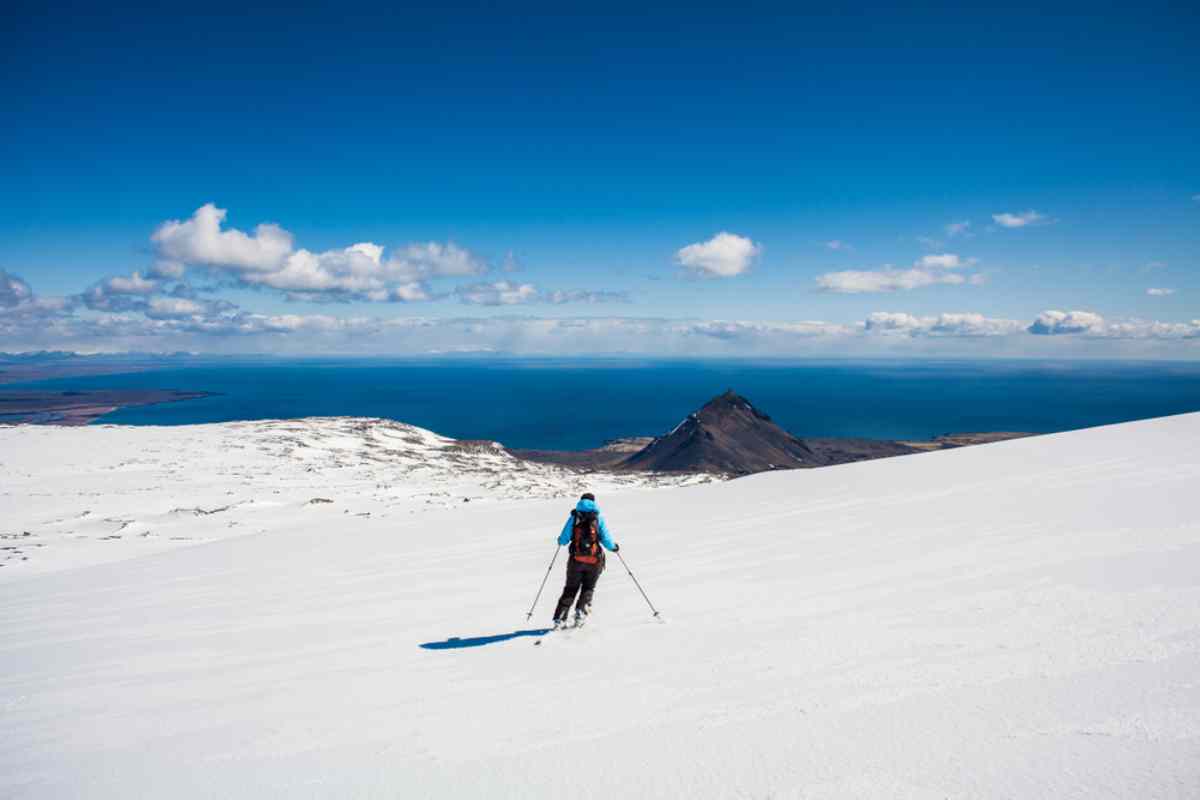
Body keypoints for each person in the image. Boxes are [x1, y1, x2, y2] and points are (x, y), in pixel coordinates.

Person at [552, 492, 619, 627]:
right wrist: (614, 548)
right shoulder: (598, 518)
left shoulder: (574, 517)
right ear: (593, 502)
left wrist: (560, 541)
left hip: (576, 560)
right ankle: (580, 613)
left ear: (580, 501)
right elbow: (606, 539)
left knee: (570, 588)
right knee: (588, 587)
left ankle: (560, 618)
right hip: (594, 561)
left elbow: (564, 539)